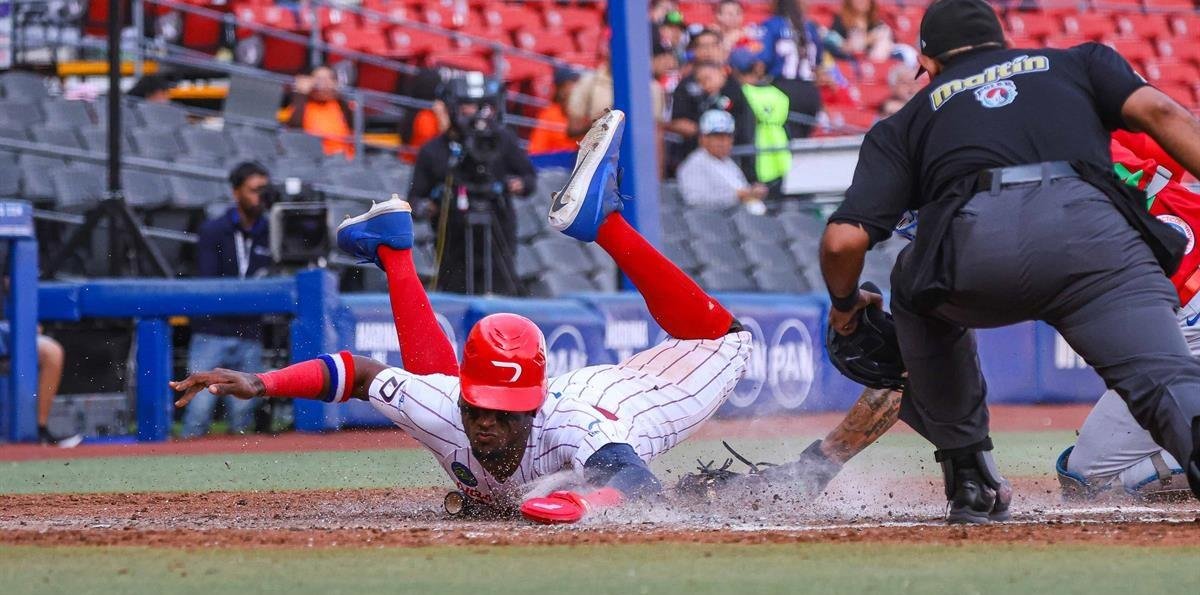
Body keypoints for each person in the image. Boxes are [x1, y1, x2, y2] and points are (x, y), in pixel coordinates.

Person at [172, 111, 754, 523]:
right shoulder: (454, 405)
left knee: (728, 340)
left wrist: (583, 502)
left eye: (503, 415)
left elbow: (637, 488)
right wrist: (263, 382)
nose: (486, 425)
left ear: (531, 408)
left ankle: (603, 224)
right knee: (438, 390)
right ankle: (399, 251)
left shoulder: (574, 427)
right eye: (479, 407)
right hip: (579, 392)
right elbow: (360, 373)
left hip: (633, 401)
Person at [819, 0, 1200, 523]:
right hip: (1098, 243)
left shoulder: (906, 122)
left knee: (915, 287)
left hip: (974, 246)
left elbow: (842, 242)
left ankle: (970, 478)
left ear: (926, 66)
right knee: (1164, 380)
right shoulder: (1080, 63)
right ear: (1002, 42)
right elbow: (1164, 113)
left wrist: (845, 308)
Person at [753, 132, 1200, 505]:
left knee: (1097, 486)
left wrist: (818, 465)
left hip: (1181, 320)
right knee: (1090, 475)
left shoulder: (987, 239)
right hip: (1168, 315)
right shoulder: (1056, 144)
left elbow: (913, 368)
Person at [408, 74, 535, 296]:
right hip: (453, 245)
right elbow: (414, 199)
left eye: (484, 106)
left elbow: (529, 178)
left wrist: (518, 184)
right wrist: (428, 207)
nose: (478, 113)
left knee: (502, 293)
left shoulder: (503, 140)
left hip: (498, 239)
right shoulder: (433, 150)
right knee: (454, 293)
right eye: (469, 106)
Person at [181, 161, 271, 438]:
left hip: (250, 330)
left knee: (242, 415)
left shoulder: (272, 230)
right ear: (236, 193)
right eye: (254, 190)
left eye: (264, 190)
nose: (261, 197)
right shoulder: (214, 230)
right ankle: (178, 472)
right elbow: (209, 281)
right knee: (199, 409)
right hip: (213, 330)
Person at [668, 58, 753, 176]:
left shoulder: (735, 91)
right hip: (699, 155)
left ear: (721, 73)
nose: (704, 84)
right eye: (700, 81)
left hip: (734, 154)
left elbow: (744, 126)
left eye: (708, 78)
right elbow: (678, 122)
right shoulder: (691, 93)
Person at [756, 0, 824, 138]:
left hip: (783, 89)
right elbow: (818, 65)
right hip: (810, 92)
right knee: (802, 145)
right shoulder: (810, 27)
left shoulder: (772, 25)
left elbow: (763, 61)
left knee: (785, 141)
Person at [677, 110, 768, 212]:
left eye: (728, 137)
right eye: (718, 137)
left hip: (746, 218)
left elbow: (743, 191)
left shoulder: (728, 163)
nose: (724, 142)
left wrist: (752, 192)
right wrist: (736, 196)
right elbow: (695, 201)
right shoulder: (693, 165)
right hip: (719, 223)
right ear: (703, 138)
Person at [730, 48, 791, 185]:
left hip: (752, 158)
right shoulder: (778, 94)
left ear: (735, 70)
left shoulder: (741, 94)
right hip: (780, 156)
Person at [281, 66, 354, 158]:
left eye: (329, 78)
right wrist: (301, 93)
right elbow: (294, 127)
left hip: (344, 161)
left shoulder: (340, 104)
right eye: (319, 79)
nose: (324, 83)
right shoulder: (303, 104)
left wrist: (339, 93)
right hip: (314, 161)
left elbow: (354, 124)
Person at [527, 68, 581, 155]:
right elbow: (536, 151)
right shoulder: (548, 115)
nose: (577, 89)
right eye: (572, 84)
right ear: (561, 89)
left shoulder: (582, 113)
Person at [825, 0, 894, 63]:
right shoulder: (840, 21)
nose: (862, 1)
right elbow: (837, 45)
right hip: (850, 64)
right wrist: (867, 40)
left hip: (874, 64)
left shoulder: (876, 23)